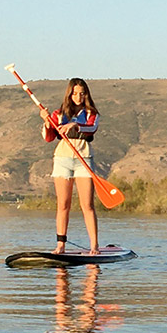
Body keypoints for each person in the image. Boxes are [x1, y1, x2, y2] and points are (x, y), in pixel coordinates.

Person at [38, 77, 101, 253]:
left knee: (87, 205)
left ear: (86, 94)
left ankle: (94, 246)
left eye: (82, 93)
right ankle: (60, 245)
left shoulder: (91, 114)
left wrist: (75, 125)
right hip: (62, 159)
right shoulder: (58, 114)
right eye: (75, 93)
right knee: (63, 204)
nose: (78, 97)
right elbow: (48, 137)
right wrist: (46, 121)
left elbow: (91, 128)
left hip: (84, 159)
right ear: (69, 94)